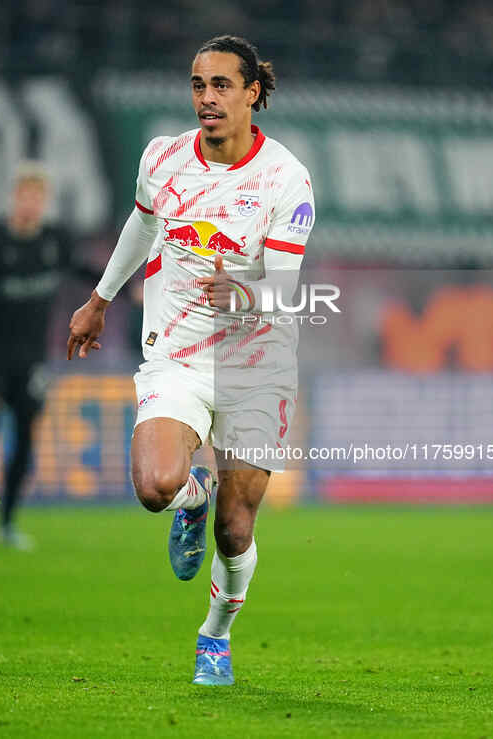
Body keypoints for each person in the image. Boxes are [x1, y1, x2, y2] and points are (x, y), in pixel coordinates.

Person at [67, 35, 315, 685]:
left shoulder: (284, 179)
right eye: (198, 85)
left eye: (221, 86)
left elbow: (287, 288)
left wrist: (244, 288)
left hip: (254, 361)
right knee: (154, 486)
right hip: (175, 353)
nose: (207, 98)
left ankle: (214, 634)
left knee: (235, 532)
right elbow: (141, 225)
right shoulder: (162, 158)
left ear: (252, 92)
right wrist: (99, 298)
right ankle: (190, 496)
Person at [0, 161, 100, 551]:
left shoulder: (54, 241)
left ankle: (7, 523)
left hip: (33, 359)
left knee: (26, 439)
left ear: (44, 201)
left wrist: (123, 289)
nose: (31, 204)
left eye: (38, 197)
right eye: (25, 196)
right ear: (15, 198)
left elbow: (87, 271)